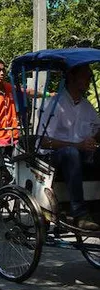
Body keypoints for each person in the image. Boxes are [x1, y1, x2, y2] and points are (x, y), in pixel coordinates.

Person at [39, 64, 99, 230]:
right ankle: (79, 213)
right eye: (86, 76)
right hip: (53, 157)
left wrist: (93, 139)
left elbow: (96, 131)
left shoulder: (87, 107)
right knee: (71, 152)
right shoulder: (53, 104)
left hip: (81, 155)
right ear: (72, 77)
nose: (89, 80)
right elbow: (44, 140)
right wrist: (78, 145)